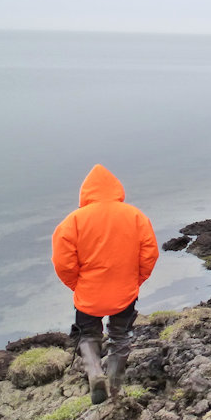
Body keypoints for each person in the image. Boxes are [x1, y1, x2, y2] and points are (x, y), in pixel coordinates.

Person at [52, 164, 159, 404]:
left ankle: (95, 373)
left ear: (86, 192)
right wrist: (135, 280)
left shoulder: (72, 222)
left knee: (88, 335)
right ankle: (115, 385)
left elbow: (62, 263)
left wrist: (77, 286)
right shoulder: (135, 216)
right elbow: (149, 254)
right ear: (116, 189)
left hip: (88, 295)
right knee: (120, 336)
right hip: (125, 292)